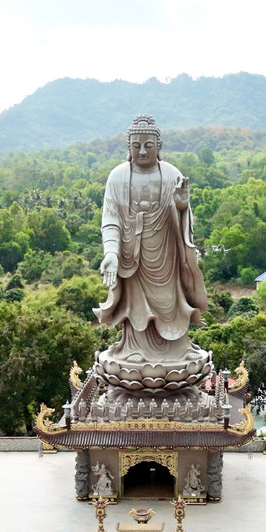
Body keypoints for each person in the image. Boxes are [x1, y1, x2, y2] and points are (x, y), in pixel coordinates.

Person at [95, 114, 208, 367]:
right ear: (129, 148)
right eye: (136, 146)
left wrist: (181, 206)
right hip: (132, 255)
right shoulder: (117, 177)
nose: (143, 151)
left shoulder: (171, 174)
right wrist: (111, 253)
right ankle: (134, 347)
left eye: (149, 145)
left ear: (159, 146)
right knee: (137, 305)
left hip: (166, 252)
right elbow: (110, 219)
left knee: (170, 302)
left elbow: (186, 218)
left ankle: (178, 347)